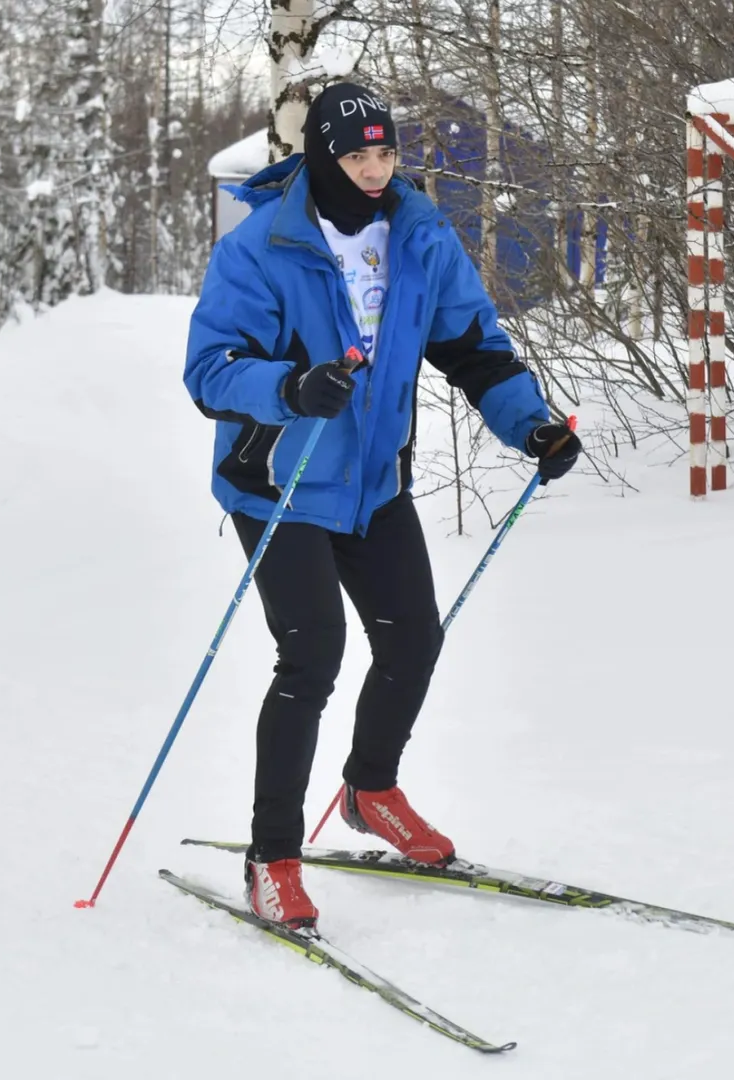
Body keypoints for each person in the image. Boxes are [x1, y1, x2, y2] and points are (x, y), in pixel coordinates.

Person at [182, 81, 580, 930]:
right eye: (356, 155)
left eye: (385, 152)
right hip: (280, 483)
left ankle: (370, 790)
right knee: (313, 652)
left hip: (373, 482)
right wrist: (290, 385)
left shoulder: (420, 238)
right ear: (324, 157)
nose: (373, 169)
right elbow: (210, 370)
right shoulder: (262, 247)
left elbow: (474, 348)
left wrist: (533, 426)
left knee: (413, 640)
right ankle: (273, 856)